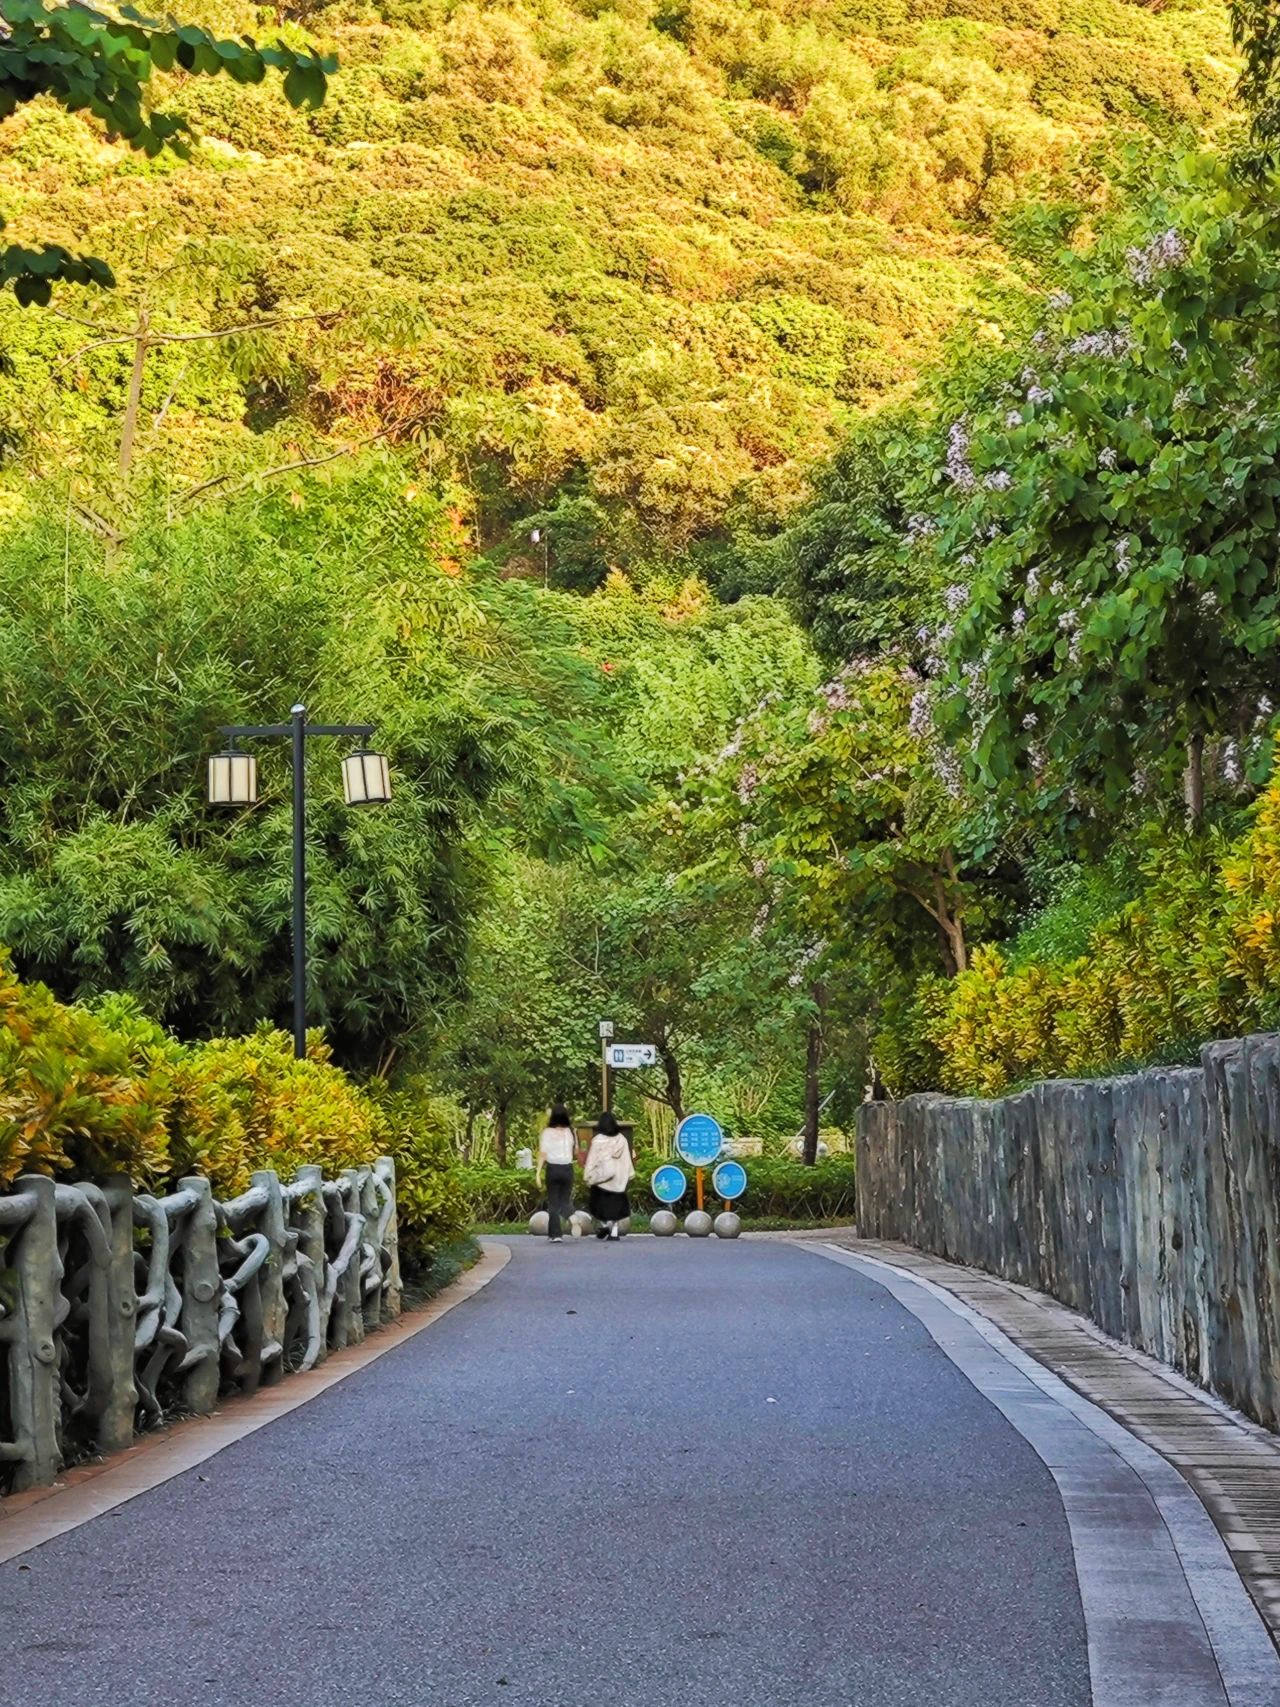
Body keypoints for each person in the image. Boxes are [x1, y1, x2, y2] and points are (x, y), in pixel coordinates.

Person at [584, 1112, 634, 1241]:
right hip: (617, 1182)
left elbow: (592, 1160)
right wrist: (628, 1174)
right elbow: (626, 1159)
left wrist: (588, 1175)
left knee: (597, 1206)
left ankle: (605, 1225)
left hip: (602, 1181)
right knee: (616, 1208)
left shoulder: (598, 1140)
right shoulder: (622, 1139)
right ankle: (615, 1232)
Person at [537, 1105, 578, 1243]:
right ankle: (571, 1215)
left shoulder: (547, 1133)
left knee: (553, 1202)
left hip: (553, 1169)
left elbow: (543, 1153)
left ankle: (555, 1235)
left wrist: (537, 1173)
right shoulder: (570, 1131)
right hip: (567, 1168)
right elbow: (576, 1151)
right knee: (564, 1200)